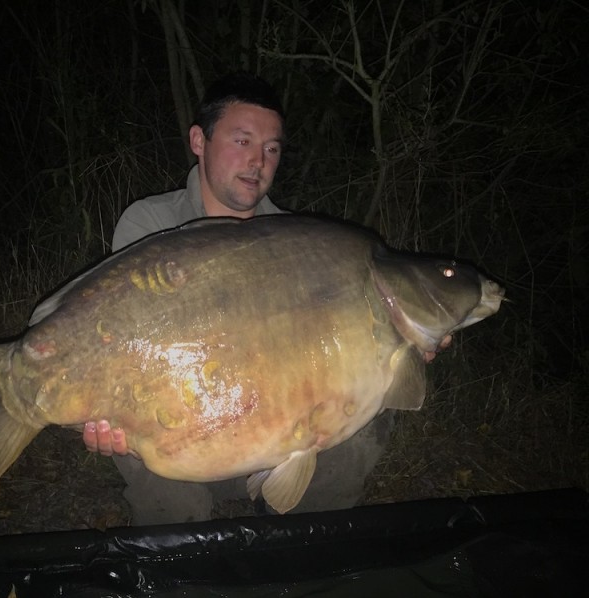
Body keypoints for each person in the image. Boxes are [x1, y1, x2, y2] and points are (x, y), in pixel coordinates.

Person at [82, 72, 442, 525]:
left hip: (272, 427)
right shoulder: (149, 223)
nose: (258, 161)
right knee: (176, 517)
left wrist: (405, 341)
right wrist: (101, 414)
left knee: (364, 428)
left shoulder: (303, 247)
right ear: (199, 140)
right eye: (243, 141)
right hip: (176, 426)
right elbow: (117, 342)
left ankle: (291, 547)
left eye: (271, 148)